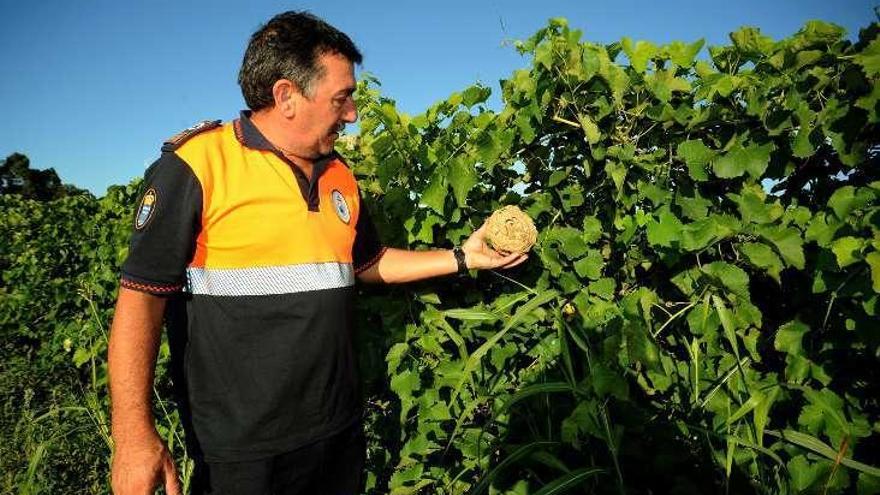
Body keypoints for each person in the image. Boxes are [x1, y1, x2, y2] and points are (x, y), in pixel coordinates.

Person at [107, 10, 526, 495]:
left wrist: (465, 257)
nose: (352, 114)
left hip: (337, 432)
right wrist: (133, 437)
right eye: (342, 98)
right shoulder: (198, 165)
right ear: (287, 96)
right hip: (243, 451)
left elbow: (368, 263)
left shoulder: (338, 175)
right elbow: (140, 300)